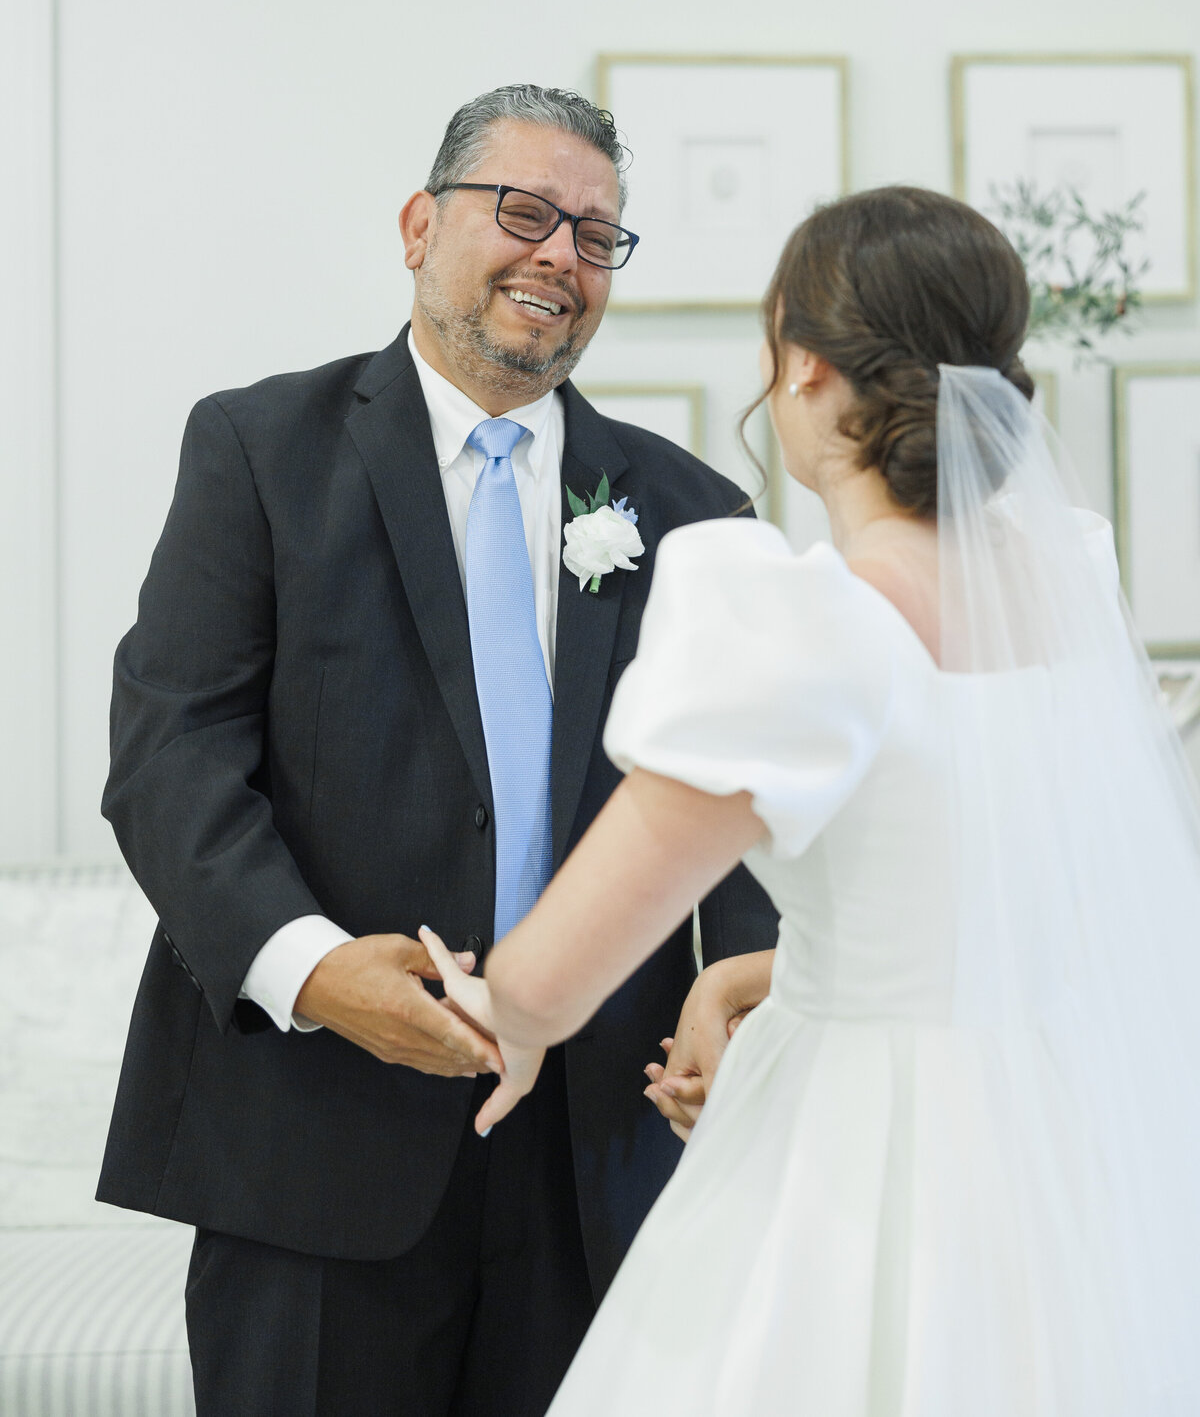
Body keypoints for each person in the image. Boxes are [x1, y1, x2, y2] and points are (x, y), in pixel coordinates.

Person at [424, 184, 1200, 1415]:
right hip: (1057, 1152)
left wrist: (491, 1001)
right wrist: (754, 974)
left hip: (867, 1150)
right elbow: (1003, 913)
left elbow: (552, 978)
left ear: (808, 369)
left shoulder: (801, 618)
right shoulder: (1067, 583)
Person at [97, 84, 776, 1417]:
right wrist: (313, 967)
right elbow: (171, 752)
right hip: (313, 1127)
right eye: (524, 212)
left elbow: (736, 797)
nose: (560, 256)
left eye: (596, 234)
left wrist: (738, 992)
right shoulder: (258, 446)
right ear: (419, 224)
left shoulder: (694, 509)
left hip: (603, 1149)